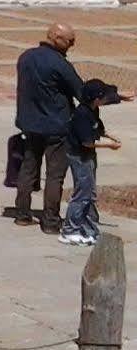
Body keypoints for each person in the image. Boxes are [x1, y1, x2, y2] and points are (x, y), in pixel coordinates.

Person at [13, 23, 84, 231]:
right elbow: (80, 91)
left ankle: (22, 214)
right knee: (55, 175)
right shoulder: (59, 64)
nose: (72, 45)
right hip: (56, 127)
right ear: (55, 37)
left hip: (30, 124)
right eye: (69, 41)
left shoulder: (25, 57)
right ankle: (51, 221)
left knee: (28, 168)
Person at [60, 80, 124, 247]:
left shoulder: (93, 110)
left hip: (88, 156)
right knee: (82, 194)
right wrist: (110, 146)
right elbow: (87, 142)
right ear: (96, 99)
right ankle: (69, 230)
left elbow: (99, 129)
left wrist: (111, 137)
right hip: (80, 156)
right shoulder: (82, 114)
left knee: (90, 193)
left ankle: (89, 229)